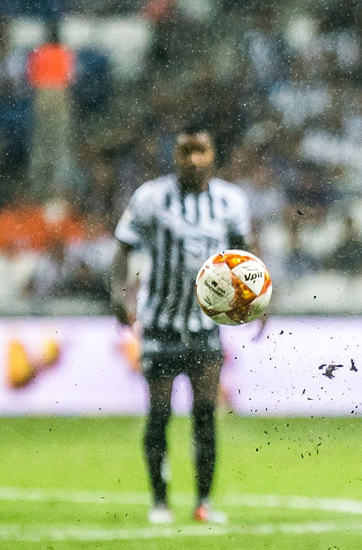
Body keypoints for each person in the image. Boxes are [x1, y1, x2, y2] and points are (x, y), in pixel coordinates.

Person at [111, 124, 250, 525]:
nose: (193, 159)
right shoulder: (151, 198)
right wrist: (120, 294)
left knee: (206, 415)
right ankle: (159, 501)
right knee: (159, 416)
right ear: (174, 156)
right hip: (160, 325)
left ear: (213, 154)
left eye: (200, 150)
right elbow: (122, 247)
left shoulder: (230, 201)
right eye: (185, 151)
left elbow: (246, 257)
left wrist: (257, 303)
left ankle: (204, 502)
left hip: (205, 326)